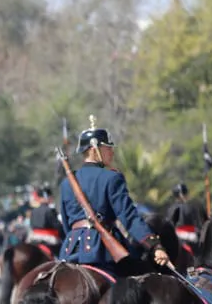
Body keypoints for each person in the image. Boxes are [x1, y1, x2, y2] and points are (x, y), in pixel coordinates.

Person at [58, 116, 170, 272]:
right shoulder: (111, 178)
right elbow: (129, 218)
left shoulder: (66, 183)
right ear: (94, 149)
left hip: (70, 251)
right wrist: (154, 245)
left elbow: (66, 224)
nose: (112, 151)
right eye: (107, 147)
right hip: (102, 252)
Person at [168, 182, 205, 251]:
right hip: (191, 236)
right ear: (185, 194)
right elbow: (199, 225)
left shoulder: (170, 209)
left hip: (174, 236)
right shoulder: (192, 207)